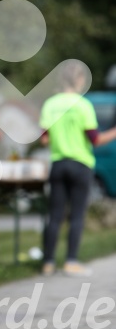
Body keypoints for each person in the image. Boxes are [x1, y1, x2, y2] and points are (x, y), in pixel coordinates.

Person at [40, 61, 116, 277]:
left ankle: (48, 262)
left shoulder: (50, 104)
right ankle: (71, 261)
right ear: (81, 80)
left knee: (54, 215)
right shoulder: (84, 105)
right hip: (80, 164)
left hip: (58, 163)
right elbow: (95, 139)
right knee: (77, 215)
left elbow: (44, 140)